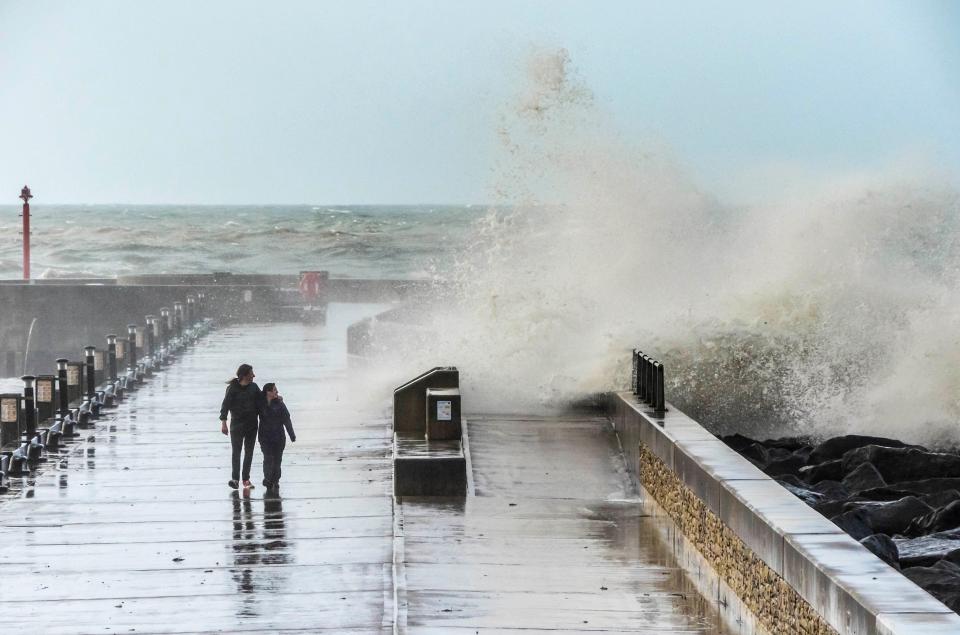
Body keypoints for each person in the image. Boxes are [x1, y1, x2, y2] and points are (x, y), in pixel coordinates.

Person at [220, 363, 263, 489]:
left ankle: (246, 480)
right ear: (244, 375)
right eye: (251, 374)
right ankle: (235, 479)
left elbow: (262, 402)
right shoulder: (232, 388)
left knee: (249, 452)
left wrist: (276, 399)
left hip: (252, 425)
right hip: (236, 426)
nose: (254, 376)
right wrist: (224, 423)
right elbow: (225, 406)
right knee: (236, 453)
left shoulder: (254, 387)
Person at [258, 382, 295, 492]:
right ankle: (268, 479)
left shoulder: (280, 404)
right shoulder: (260, 404)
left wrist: (291, 434)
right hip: (265, 437)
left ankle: (275, 480)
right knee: (268, 458)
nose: (277, 392)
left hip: (279, 437)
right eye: (275, 390)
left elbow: (287, 420)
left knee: (277, 460)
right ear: (268, 392)